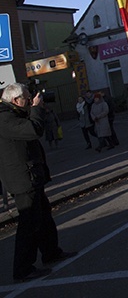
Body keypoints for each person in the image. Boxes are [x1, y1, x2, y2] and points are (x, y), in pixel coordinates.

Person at [0, 83, 76, 282]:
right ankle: (23, 268)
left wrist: (33, 109)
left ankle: (51, 252)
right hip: (22, 180)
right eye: (27, 98)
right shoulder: (4, 118)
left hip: (31, 176)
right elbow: (34, 130)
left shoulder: (14, 114)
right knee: (29, 224)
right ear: (16, 101)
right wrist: (35, 109)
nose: (30, 100)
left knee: (43, 217)